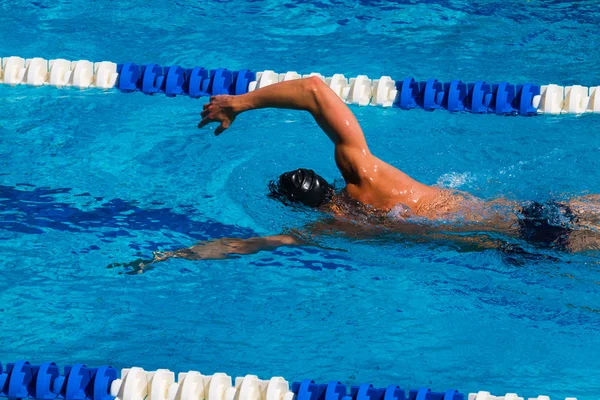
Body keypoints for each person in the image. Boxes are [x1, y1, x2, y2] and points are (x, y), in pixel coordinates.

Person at [113, 77, 600, 272]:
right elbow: (316, 91)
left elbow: (248, 245)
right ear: (323, 179)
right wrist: (240, 102)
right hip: (532, 215)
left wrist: (172, 254)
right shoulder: (365, 175)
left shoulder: (331, 228)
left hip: (523, 247)